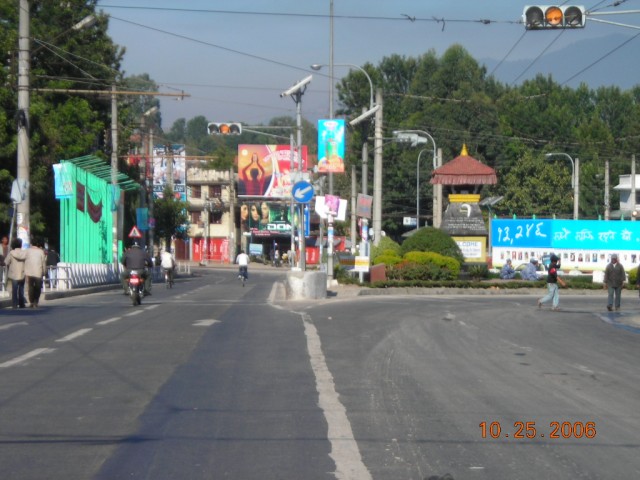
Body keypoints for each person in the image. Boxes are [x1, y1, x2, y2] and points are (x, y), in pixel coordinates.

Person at [25, 237, 47, 308]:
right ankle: (35, 301)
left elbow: (24, 259)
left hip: (29, 272)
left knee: (30, 287)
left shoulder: (27, 251)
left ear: (31, 243)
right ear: (37, 244)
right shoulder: (41, 251)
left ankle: (31, 301)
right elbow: (43, 262)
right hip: (38, 271)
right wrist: (44, 271)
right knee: (38, 287)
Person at [5, 238, 27, 309]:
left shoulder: (11, 253)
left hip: (14, 274)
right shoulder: (24, 253)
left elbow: (6, 262)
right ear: (21, 245)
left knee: (14, 290)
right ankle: (21, 304)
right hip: (22, 273)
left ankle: (14, 304)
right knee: (21, 289)